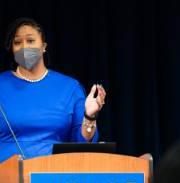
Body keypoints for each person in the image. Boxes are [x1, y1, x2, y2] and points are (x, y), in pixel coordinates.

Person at [0, 17, 106, 162]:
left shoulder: (69, 88)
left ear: (43, 46)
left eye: (30, 41)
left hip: (54, 180)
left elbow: (82, 145)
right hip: (6, 177)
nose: (24, 47)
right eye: (17, 42)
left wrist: (89, 116)